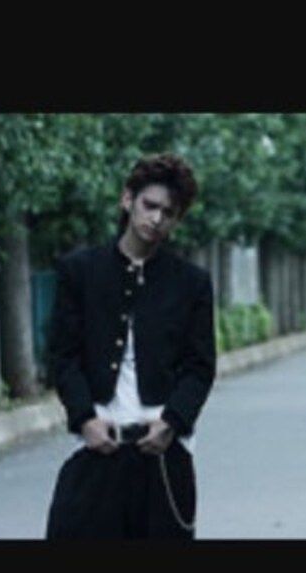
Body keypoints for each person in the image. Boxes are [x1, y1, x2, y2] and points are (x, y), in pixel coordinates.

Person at [46, 152, 216, 539]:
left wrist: (172, 422)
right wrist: (84, 418)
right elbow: (63, 356)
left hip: (163, 453)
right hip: (96, 447)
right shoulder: (80, 271)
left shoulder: (191, 283)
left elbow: (200, 365)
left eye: (168, 213)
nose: (156, 219)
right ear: (128, 200)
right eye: (149, 205)